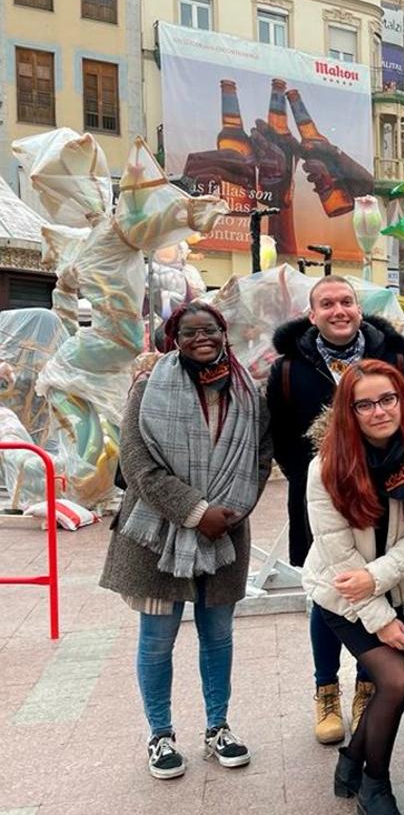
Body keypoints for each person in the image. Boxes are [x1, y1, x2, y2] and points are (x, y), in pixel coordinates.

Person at [100, 301, 272, 779]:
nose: (203, 339)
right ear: (174, 339)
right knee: (157, 639)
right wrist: (197, 512)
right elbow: (137, 465)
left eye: (211, 330)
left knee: (218, 636)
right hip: (156, 534)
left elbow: (260, 457)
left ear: (223, 332)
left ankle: (218, 727)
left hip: (226, 531)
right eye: (190, 332)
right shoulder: (148, 388)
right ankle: (160, 735)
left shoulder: (247, 392)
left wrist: (232, 510)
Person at [266, 274, 404, 744]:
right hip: (321, 499)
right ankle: (325, 687)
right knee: (329, 591)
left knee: (379, 581)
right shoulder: (289, 368)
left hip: (388, 495)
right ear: (312, 314)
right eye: (327, 303)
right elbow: (280, 435)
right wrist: (323, 481)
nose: (338, 311)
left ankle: (366, 684)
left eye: (346, 302)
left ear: (358, 308)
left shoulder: (391, 357)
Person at [302, 359, 404, 815]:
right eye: (365, 404)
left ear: (401, 400)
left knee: (403, 681)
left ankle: (350, 761)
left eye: (387, 399)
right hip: (342, 596)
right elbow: (341, 558)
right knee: (395, 679)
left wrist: (379, 579)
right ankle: (374, 784)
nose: (379, 411)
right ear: (350, 411)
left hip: (397, 588)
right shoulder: (326, 467)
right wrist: (380, 621)